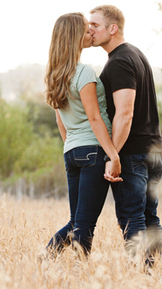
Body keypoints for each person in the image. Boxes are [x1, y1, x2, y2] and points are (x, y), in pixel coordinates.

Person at [88, 5, 162, 266]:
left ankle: (143, 277)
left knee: (132, 219)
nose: (90, 29)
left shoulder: (120, 60)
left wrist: (113, 154)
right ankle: (161, 275)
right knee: (149, 218)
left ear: (113, 28)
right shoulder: (136, 54)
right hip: (154, 151)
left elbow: (125, 113)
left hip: (133, 154)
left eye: (95, 25)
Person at [44, 13, 122, 256]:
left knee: (76, 222)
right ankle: (80, 274)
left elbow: (60, 120)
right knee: (85, 224)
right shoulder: (84, 72)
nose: (90, 32)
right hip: (93, 151)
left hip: (72, 152)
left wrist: (73, 147)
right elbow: (95, 118)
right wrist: (113, 154)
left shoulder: (54, 74)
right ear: (74, 36)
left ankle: (44, 261)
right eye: (85, 29)